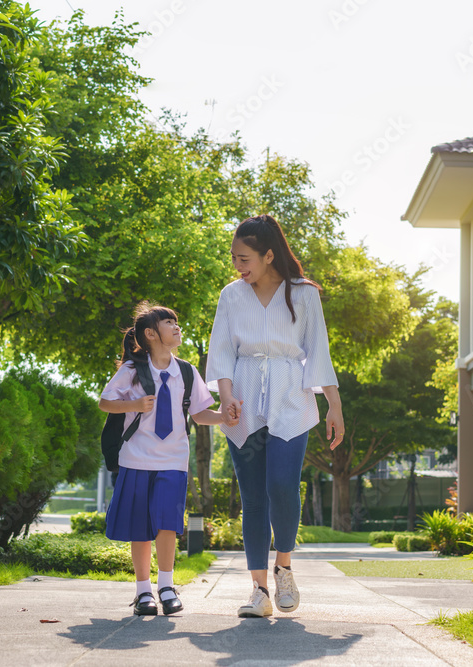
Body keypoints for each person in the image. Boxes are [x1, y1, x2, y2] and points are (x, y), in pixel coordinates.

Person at [206, 214, 345, 618]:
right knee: (252, 497)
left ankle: (283, 568)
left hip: (291, 397)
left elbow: (318, 351)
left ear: (269, 255)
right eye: (234, 257)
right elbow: (222, 352)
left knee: (282, 485)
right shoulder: (231, 295)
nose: (238, 265)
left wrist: (334, 405)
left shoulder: (303, 294)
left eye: (244, 257)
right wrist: (226, 398)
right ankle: (259, 591)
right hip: (244, 399)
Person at [99, 300, 237, 616]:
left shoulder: (186, 372)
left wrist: (223, 418)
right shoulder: (132, 370)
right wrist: (132, 405)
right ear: (150, 334)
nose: (177, 327)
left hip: (173, 459)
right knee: (139, 526)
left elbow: (201, 413)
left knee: (167, 524)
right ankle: (143, 591)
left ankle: (166, 586)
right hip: (135, 458)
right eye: (169, 323)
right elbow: (106, 403)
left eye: (177, 322)